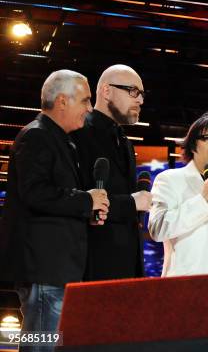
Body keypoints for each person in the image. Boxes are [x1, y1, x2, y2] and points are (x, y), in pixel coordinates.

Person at [0, 70, 109, 351]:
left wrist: (87, 210)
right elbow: (35, 193)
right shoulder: (36, 137)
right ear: (62, 100)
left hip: (55, 270)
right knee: (42, 346)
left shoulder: (59, 139)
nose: (89, 107)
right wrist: (86, 201)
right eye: (85, 100)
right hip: (44, 270)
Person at [72, 64, 152, 280]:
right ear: (106, 91)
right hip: (90, 267)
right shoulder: (78, 132)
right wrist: (132, 202)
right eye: (133, 91)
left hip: (125, 270)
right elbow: (78, 199)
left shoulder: (125, 142)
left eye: (142, 95)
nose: (140, 100)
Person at [148, 111, 208, 277]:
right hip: (183, 287)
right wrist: (201, 200)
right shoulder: (169, 180)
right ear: (193, 145)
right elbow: (157, 229)